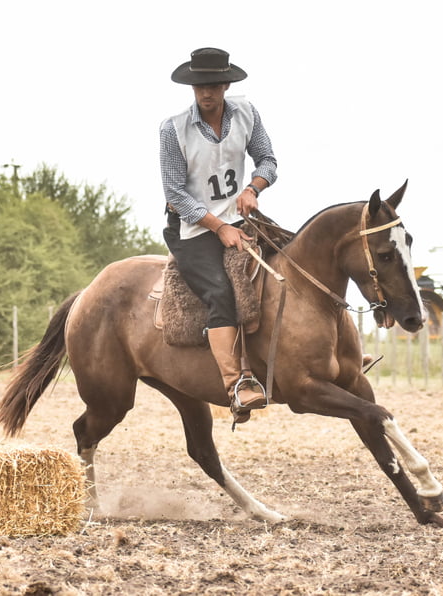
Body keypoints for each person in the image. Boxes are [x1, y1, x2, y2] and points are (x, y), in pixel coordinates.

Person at [160, 47, 278, 424]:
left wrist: (253, 190)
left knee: (286, 259)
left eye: (212, 85)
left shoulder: (247, 112)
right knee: (219, 291)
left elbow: (268, 161)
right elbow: (175, 193)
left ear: (226, 84)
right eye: (198, 86)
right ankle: (236, 385)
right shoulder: (172, 128)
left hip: (239, 216)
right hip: (192, 229)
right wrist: (220, 226)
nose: (205, 93)